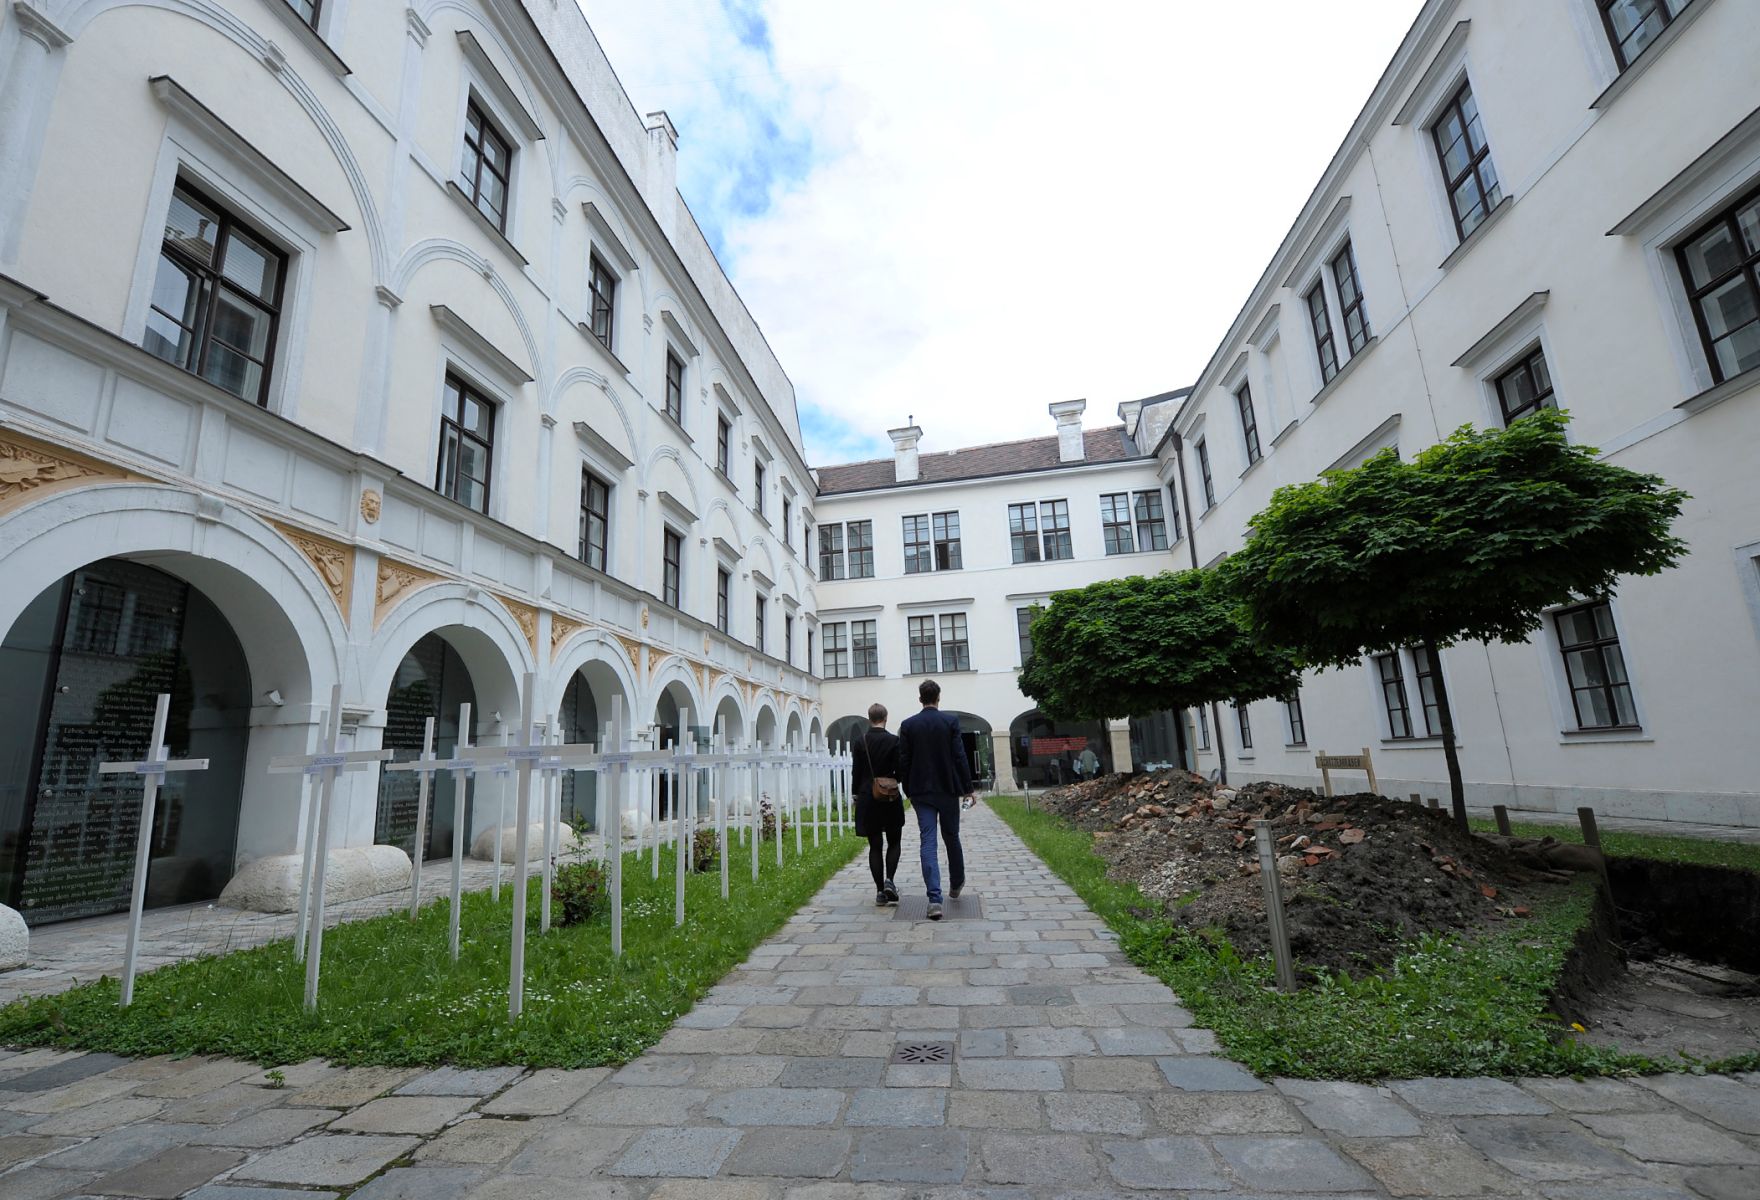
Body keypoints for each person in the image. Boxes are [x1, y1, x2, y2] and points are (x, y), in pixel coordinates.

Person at [897, 679, 973, 920]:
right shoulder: (949, 721)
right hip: (948, 790)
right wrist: (968, 789)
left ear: (920, 699)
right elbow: (959, 756)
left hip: (921, 791)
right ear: (938, 698)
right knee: (952, 836)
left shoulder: (908, 725)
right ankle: (957, 882)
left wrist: (908, 789)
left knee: (927, 841)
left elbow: (904, 761)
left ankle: (934, 900)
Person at [849, 702, 904, 906]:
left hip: (867, 798)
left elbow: (856, 771)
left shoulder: (860, 742)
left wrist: (856, 794)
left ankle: (880, 891)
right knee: (894, 841)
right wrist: (892, 780)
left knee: (875, 846)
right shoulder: (894, 740)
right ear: (886, 718)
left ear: (869, 718)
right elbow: (900, 770)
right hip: (889, 797)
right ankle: (890, 879)